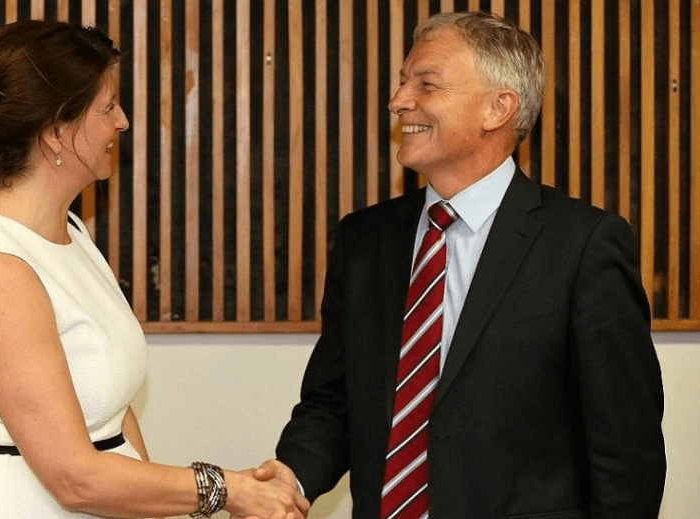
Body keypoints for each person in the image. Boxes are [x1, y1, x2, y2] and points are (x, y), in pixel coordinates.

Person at [253, 11, 666, 519]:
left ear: (498, 108)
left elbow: (626, 449)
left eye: (425, 83)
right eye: (404, 81)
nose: (399, 100)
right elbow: (334, 402)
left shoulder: (584, 245)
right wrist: (290, 478)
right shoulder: (364, 240)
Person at [0, 20, 309, 519]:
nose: (122, 121)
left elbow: (113, 412)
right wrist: (227, 490)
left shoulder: (70, 233)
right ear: (58, 130)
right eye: (107, 107)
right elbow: (74, 478)